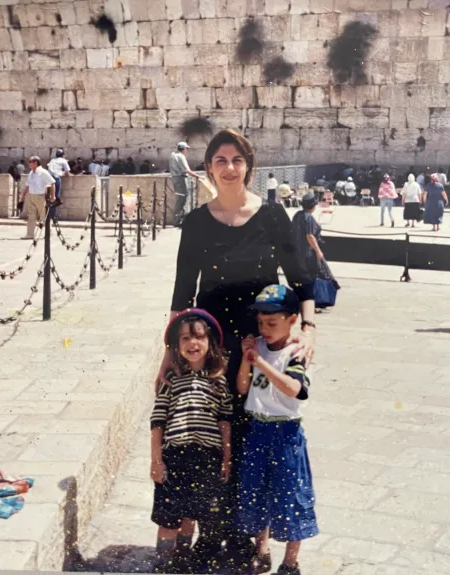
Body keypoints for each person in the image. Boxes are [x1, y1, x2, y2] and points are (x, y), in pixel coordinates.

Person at [167, 129, 316, 572]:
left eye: (236, 160)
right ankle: (217, 533)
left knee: (254, 437)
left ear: (248, 165)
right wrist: (167, 351)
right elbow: (182, 291)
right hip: (212, 343)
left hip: (260, 342)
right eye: (220, 160)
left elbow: (300, 274)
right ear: (208, 167)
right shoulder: (195, 222)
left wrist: (308, 327)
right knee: (214, 434)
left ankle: (256, 533)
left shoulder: (272, 216)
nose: (229, 168)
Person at [236, 285, 318, 575]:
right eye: (260, 323)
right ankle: (262, 549)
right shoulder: (257, 346)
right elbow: (243, 388)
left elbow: (295, 388)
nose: (265, 329)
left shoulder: (296, 352)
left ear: (292, 320)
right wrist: (248, 359)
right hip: (258, 428)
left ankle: (290, 561)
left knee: (290, 494)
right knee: (257, 492)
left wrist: (260, 363)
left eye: (272, 323)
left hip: (285, 433)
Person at [150, 309, 232, 574]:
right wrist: (156, 460)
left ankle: (183, 559)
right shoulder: (170, 380)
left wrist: (226, 460)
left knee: (193, 512)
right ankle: (163, 563)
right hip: (175, 455)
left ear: (210, 343)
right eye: (185, 339)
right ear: (177, 346)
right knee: (169, 515)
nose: (192, 344)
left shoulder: (219, 382)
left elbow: (225, 423)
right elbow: (158, 422)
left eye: (198, 337)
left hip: (207, 457)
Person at [292, 193, 338, 312]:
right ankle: (311, 303)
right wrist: (318, 251)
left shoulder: (298, 215)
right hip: (308, 253)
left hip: (298, 252)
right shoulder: (308, 217)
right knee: (312, 278)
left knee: (303, 278)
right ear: (314, 205)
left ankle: (302, 301)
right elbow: (310, 236)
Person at [19, 156, 55, 240]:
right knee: (31, 216)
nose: (29, 163)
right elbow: (27, 185)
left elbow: (52, 183)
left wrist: (53, 196)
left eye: (30, 161)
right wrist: (23, 196)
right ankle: (30, 234)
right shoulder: (31, 173)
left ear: (35, 163)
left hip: (40, 196)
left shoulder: (43, 172)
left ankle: (49, 232)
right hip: (31, 196)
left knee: (43, 215)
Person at [170, 142, 200, 226]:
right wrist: (198, 176)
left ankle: (179, 220)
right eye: (187, 148)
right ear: (184, 148)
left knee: (180, 199)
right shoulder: (180, 156)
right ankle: (177, 221)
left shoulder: (173, 154)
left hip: (175, 178)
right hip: (180, 179)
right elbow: (186, 170)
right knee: (181, 199)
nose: (187, 150)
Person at [47, 149, 71, 220]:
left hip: (48, 179)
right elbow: (67, 172)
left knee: (49, 197)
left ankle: (47, 216)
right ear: (63, 155)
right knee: (55, 198)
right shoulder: (63, 160)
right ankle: (51, 216)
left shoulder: (52, 160)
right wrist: (64, 174)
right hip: (56, 179)